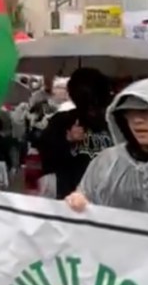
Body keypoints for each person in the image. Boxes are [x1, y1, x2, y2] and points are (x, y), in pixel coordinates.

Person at [66, 77, 148, 218]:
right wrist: (78, 202)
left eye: (146, 112)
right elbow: (85, 196)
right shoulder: (108, 162)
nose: (137, 120)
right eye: (130, 113)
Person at [36, 67, 113, 199]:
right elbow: (46, 159)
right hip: (69, 197)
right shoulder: (62, 121)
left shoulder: (113, 122)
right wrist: (67, 141)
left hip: (108, 197)